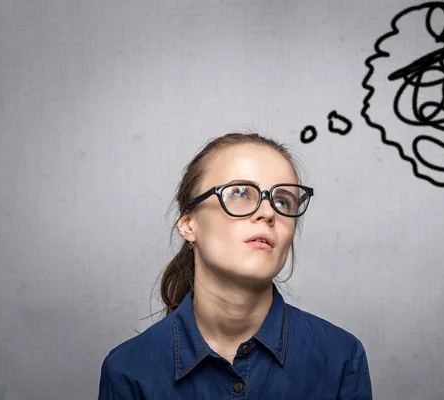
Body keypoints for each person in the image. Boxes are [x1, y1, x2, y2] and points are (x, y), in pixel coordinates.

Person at [97, 133, 373, 399]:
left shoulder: (341, 357)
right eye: (240, 192)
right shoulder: (128, 370)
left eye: (282, 201)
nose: (268, 212)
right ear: (188, 224)